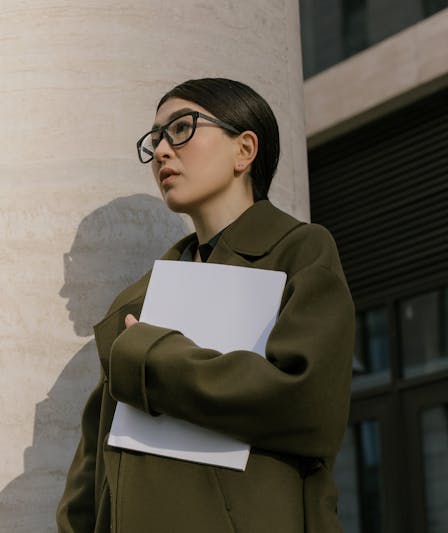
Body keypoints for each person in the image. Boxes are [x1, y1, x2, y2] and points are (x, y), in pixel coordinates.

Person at [56, 78, 354, 533]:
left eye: (181, 129)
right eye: (154, 139)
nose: (160, 151)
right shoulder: (137, 300)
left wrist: (150, 356)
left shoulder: (301, 251)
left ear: (245, 149)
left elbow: (307, 403)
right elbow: (94, 468)